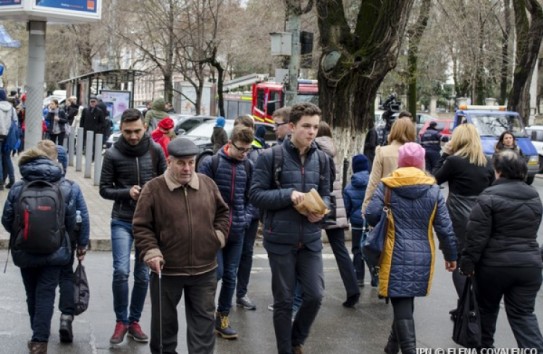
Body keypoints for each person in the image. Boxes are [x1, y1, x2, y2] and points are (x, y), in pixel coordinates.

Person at [133, 137, 230, 354]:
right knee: (163, 329)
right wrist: (151, 252)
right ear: (169, 161)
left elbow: (223, 213)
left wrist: (217, 237)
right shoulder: (153, 189)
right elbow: (141, 226)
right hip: (166, 271)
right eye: (181, 163)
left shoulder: (207, 184)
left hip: (205, 270)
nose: (187, 168)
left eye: (191, 162)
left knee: (203, 329)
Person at [250, 102, 331, 354]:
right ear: (292, 126)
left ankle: (296, 340)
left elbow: (328, 195)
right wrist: (289, 194)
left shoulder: (323, 158)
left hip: (309, 238)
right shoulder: (269, 156)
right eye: (306, 126)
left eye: (315, 127)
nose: (311, 132)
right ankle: (285, 349)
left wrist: (321, 211)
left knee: (315, 295)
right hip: (280, 240)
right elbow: (255, 195)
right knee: (284, 301)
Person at [365, 142, 457, 354]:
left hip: (393, 252)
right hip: (423, 254)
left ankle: (408, 349)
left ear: (400, 162)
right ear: (421, 163)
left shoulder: (387, 185)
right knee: (405, 300)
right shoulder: (433, 190)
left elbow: (371, 214)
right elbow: (445, 227)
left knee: (402, 304)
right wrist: (451, 255)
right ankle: (391, 346)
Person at [460, 150, 543, 351]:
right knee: (523, 315)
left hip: (493, 266)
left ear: (498, 171)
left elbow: (475, 235)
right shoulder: (534, 196)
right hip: (528, 266)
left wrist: (468, 264)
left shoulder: (488, 195)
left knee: (486, 313)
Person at [99, 108, 167, 345]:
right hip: (122, 219)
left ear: (145, 127)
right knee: (120, 270)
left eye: (137, 131)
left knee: (141, 274)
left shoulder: (155, 150)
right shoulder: (113, 153)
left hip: (148, 223)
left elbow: (165, 181)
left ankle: (134, 321)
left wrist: (153, 194)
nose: (133, 136)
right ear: (121, 129)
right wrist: (127, 192)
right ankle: (121, 321)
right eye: (128, 132)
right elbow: (104, 189)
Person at [1, 147, 79, 354]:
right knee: (46, 294)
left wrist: (23, 233)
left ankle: (37, 331)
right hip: (55, 251)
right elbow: (71, 220)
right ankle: (39, 341)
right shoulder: (63, 187)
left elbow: (6, 220)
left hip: (25, 250)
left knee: (31, 293)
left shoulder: (18, 188)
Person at [198, 126, 254, 339]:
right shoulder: (211, 163)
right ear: (230, 144)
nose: (244, 154)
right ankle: (205, 313)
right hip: (214, 230)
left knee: (231, 275)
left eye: (248, 150)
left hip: (238, 229)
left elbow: (253, 197)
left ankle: (222, 317)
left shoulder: (248, 165)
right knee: (217, 272)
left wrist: (247, 218)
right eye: (241, 149)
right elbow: (199, 194)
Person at [432, 123, 494, 303]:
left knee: (459, 262)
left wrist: (444, 154)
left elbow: (434, 179)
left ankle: (467, 304)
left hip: (458, 216)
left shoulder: (454, 161)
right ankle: (473, 303)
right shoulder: (487, 162)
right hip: (482, 216)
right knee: (476, 259)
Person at [36, 139, 90, 344]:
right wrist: (82, 244)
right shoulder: (71, 187)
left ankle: (38, 324)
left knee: (42, 285)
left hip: (37, 242)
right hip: (66, 242)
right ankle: (66, 318)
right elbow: (82, 216)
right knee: (66, 278)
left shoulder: (26, 184)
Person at [315, 121, 360, 308]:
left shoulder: (315, 149)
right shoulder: (333, 149)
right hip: (336, 206)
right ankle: (353, 289)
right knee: (340, 250)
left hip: (318, 202)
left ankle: (309, 292)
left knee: (309, 249)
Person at [236, 124, 268, 311]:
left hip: (249, 217)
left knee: (246, 254)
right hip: (231, 218)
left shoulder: (256, 155)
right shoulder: (218, 160)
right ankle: (225, 294)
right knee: (228, 259)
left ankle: (241, 293)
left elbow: (256, 191)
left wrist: (248, 216)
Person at [362, 117, 417, 213]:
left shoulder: (382, 152)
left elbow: (374, 182)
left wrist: (366, 207)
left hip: (386, 207)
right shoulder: (417, 153)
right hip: (410, 208)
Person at [343, 154, 373, 287]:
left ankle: (359, 277)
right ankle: (375, 276)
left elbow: (346, 208)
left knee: (357, 249)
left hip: (356, 224)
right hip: (372, 222)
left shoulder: (349, 187)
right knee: (373, 249)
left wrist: (346, 220)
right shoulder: (375, 183)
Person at [0, 88, 16, 190]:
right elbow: (15, 122)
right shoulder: (12, 108)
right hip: (9, 136)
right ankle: (12, 179)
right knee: (7, 157)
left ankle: (0, 182)